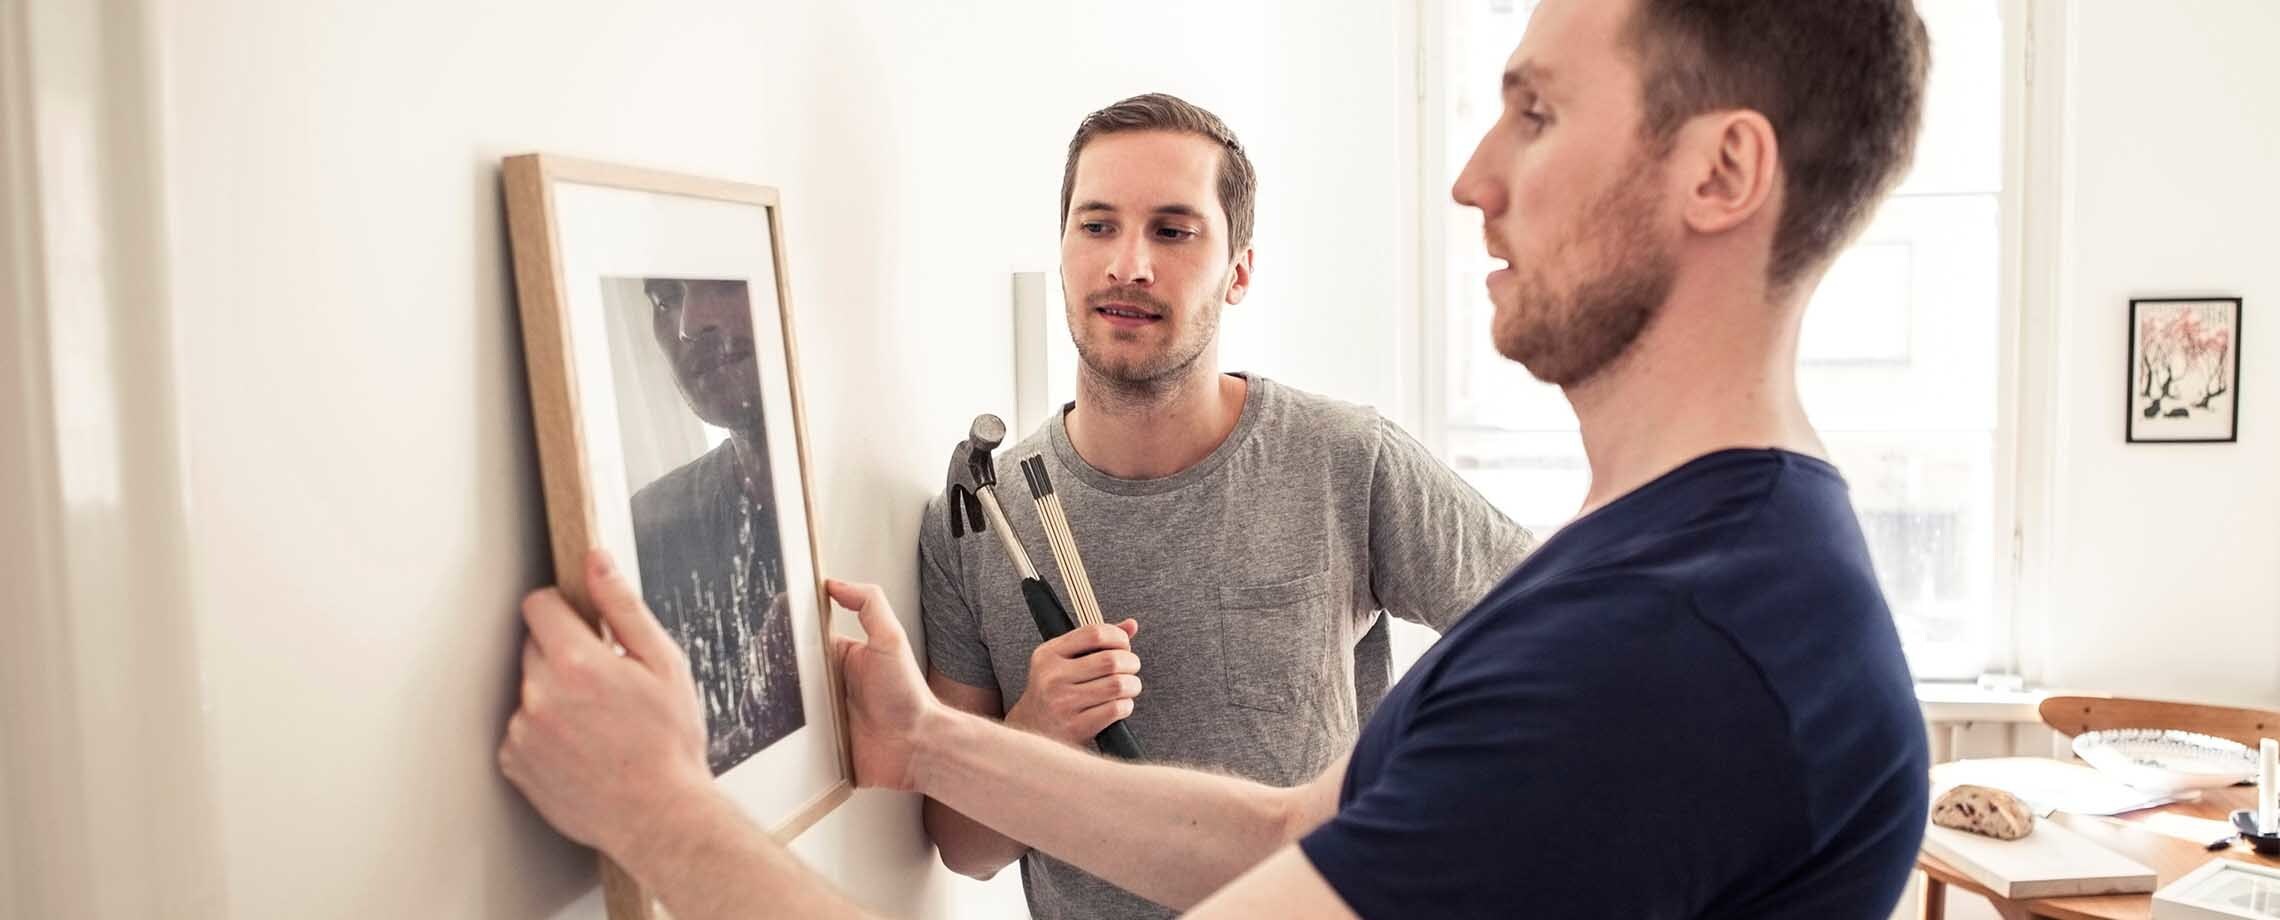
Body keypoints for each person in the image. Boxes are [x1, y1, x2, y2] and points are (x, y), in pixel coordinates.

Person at [499, 0, 1935, 916]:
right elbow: (1299, 826)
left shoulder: (1658, 652)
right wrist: (939, 741)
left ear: (1723, 174)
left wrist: (659, 811)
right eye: (1094, 224)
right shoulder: (1678, 572)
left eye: (1538, 108)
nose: (1472, 172)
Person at [916, 92, 1532, 919]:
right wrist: (1034, 731)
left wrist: (1418, 813)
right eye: (1096, 225)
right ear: (1062, 251)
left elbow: (1558, 632)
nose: (1127, 264)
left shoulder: (1345, 458)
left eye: (1173, 231)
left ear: (1238, 269)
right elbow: (964, 849)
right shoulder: (978, 522)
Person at [628, 277, 802, 773]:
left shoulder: (898, 513)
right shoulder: (646, 530)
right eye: (665, 297)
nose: (688, 324)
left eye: (724, 283)